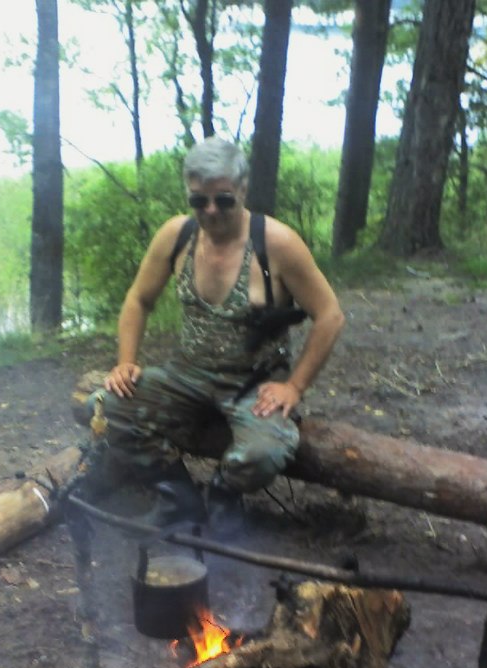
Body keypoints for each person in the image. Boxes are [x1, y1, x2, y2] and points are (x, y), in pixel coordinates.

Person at [101, 136, 345, 534]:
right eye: (199, 201)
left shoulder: (275, 243)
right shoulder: (176, 236)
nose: (211, 211)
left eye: (224, 200)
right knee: (107, 406)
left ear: (243, 191)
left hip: (253, 384)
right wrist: (126, 361)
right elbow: (138, 299)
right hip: (186, 376)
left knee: (265, 451)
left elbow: (330, 316)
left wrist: (295, 386)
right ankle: (177, 496)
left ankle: (223, 494)